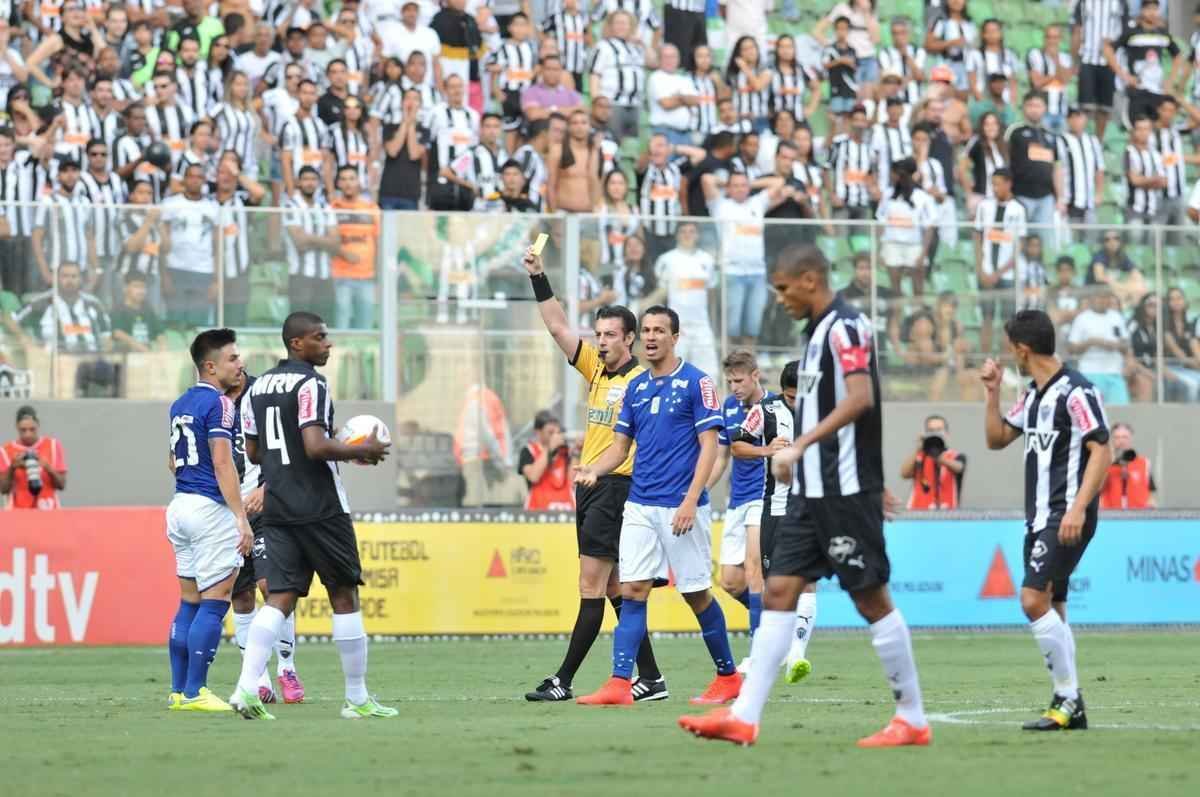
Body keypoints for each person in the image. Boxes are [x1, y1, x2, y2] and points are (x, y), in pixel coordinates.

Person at [680, 243, 929, 748]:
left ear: (810, 279)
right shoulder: (814, 334)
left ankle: (912, 717)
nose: (780, 299)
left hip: (843, 492)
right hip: (809, 494)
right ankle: (744, 716)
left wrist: (801, 447)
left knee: (870, 599)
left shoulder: (847, 328)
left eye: (784, 287)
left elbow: (862, 399)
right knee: (777, 591)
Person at [574, 304, 741, 707]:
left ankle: (728, 676)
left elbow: (710, 448)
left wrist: (689, 500)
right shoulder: (636, 387)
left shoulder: (697, 383)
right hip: (640, 504)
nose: (650, 337)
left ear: (675, 337)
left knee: (696, 593)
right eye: (645, 330)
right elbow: (619, 448)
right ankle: (619, 683)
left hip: (681, 507)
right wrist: (595, 470)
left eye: (658, 331)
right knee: (632, 589)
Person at [231, 311, 393, 721]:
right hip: (321, 506)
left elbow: (252, 452)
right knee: (343, 594)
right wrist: (360, 450)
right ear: (297, 343)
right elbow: (315, 446)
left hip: (279, 505)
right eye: (320, 337)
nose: (329, 344)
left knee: (281, 598)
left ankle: (246, 688)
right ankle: (356, 699)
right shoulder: (311, 383)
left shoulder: (257, 387)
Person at [521, 253, 666, 702]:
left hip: (617, 488)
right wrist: (539, 277)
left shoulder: (643, 381)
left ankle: (563, 680)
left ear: (630, 340)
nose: (600, 342)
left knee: (592, 585)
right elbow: (558, 326)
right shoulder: (596, 369)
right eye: (598, 335)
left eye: (609, 336)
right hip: (592, 486)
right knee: (614, 588)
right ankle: (652, 678)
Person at [981, 309, 1112, 731]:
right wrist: (992, 392)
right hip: (1038, 517)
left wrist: (1077, 507)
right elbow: (997, 438)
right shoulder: (1034, 394)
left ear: (1023, 349)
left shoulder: (1077, 392)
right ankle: (1073, 703)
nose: (1011, 357)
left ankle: (1067, 698)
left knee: (1032, 599)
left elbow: (1102, 450)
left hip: (1066, 514)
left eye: (1011, 350)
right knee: (1053, 604)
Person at [163, 329, 253, 712]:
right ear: (210, 366)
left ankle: (179, 692)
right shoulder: (222, 405)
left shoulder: (180, 403)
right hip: (208, 509)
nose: (240, 364)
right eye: (233, 358)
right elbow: (221, 462)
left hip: (180, 505)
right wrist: (240, 517)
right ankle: (197, 691)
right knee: (215, 602)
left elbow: (172, 460)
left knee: (189, 602)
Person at [728, 361, 815, 681]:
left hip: (812, 505)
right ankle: (767, 651)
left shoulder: (822, 408)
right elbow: (737, 445)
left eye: (800, 397)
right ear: (783, 392)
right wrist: (766, 450)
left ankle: (796, 655)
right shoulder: (765, 410)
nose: (796, 403)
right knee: (771, 582)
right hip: (775, 506)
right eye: (791, 398)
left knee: (807, 580)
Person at [227, 369, 304, 707]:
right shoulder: (209, 403)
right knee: (239, 596)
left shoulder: (262, 397)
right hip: (227, 514)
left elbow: (288, 449)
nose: (237, 365)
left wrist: (266, 487)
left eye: (237, 359)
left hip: (265, 510)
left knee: (271, 588)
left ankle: (287, 667)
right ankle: (257, 678)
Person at [706, 350, 769, 671]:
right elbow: (721, 457)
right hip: (737, 501)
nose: (734, 386)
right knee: (730, 581)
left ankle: (760, 653)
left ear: (755, 375)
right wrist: (700, 488)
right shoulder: (728, 407)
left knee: (754, 571)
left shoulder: (772, 408)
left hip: (763, 497)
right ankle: (774, 623)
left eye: (739, 380)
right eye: (729, 381)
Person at [705, 171, 794, 347]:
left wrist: (749, 184)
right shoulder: (720, 205)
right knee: (732, 327)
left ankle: (749, 365)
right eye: (735, 186)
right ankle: (731, 365)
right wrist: (729, 184)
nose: (740, 189)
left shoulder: (757, 203)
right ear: (729, 188)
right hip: (732, 272)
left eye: (743, 185)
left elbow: (778, 181)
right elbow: (706, 179)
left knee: (753, 326)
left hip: (757, 273)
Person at [649, 222, 718, 377]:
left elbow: (712, 295)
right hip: (676, 328)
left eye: (691, 231)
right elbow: (661, 295)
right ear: (677, 235)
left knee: (709, 376)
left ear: (697, 235)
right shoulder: (666, 260)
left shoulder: (707, 260)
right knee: (672, 374)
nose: (687, 235)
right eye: (683, 231)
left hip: (702, 327)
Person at [974, 168, 1027, 354]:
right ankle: (985, 359)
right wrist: (981, 269)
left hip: (1007, 274)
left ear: (1008, 183)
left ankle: (1005, 362)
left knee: (1007, 321)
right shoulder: (984, 207)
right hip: (986, 271)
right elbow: (978, 237)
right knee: (986, 318)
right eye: (992, 184)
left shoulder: (1019, 210)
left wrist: (999, 273)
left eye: (998, 184)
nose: (994, 188)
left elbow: (1019, 246)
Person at [160, 163, 218, 326]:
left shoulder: (212, 207)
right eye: (191, 176)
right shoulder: (170, 204)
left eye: (199, 177)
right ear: (184, 179)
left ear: (204, 180)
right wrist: (164, 275)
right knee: (174, 322)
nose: (194, 180)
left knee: (198, 325)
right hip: (175, 269)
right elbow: (162, 244)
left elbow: (217, 247)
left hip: (203, 271)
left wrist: (216, 280)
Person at [1105, 0, 1181, 124]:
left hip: (1157, 90)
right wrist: (1124, 75)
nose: (1152, 13)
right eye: (1149, 9)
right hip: (1138, 90)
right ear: (1142, 10)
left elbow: (1177, 55)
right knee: (1138, 126)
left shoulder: (1162, 33)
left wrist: (1170, 80)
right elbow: (1108, 49)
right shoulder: (1131, 32)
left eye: (1155, 9)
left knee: (1156, 127)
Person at [13, 261, 112, 353]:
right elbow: (12, 319)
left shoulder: (93, 303)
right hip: (53, 364)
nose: (70, 280)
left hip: (90, 361)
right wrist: (25, 340)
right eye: (65, 276)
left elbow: (106, 336)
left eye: (74, 276)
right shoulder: (41, 303)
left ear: (80, 279)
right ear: (56, 278)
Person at [877, 156, 936, 299]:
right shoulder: (887, 195)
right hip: (892, 245)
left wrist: (923, 254)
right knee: (895, 291)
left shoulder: (923, 197)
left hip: (914, 247)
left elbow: (929, 227)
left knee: (918, 290)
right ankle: (897, 319)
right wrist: (881, 249)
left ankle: (919, 319)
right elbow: (880, 222)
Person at [1006, 91, 1065, 228]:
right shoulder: (1015, 131)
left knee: (1043, 241)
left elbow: (1056, 168)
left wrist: (1060, 197)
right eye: (1030, 105)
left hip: (1046, 197)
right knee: (1018, 237)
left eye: (1038, 105)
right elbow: (1006, 160)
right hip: (1020, 194)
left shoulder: (1050, 135)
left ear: (1045, 108)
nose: (1034, 109)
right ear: (1024, 108)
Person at [330, 166, 379, 330]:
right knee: (341, 324)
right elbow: (328, 240)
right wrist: (342, 252)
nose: (348, 183)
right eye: (343, 179)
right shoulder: (333, 209)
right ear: (338, 183)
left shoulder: (371, 209)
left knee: (365, 324)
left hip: (367, 277)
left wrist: (379, 276)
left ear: (358, 182)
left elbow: (379, 242)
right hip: (341, 276)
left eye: (351, 178)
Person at [1067, 289, 1133, 407]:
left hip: (1114, 372)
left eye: (1105, 297)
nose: (1102, 301)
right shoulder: (1082, 318)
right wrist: (1091, 342)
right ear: (1092, 299)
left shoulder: (1116, 317)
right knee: (1092, 412)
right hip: (1090, 372)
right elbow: (1072, 348)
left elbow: (1126, 344)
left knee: (1121, 413)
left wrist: (1115, 345)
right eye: (1099, 297)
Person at [1072, 0, 1125, 141]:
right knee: (1085, 106)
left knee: (1104, 107)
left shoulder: (1120, 3)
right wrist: (1074, 60)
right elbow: (1077, 29)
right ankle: (1080, 140)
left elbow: (1125, 32)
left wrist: (1114, 43)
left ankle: (1098, 142)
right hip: (1088, 58)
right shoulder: (1084, 2)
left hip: (1110, 61)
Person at [0, 405, 67, 510]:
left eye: (32, 429)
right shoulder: (5, 450)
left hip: (49, 509)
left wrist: (47, 467)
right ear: (17, 427)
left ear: (38, 425)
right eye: (23, 430)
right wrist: (12, 468)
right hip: (18, 512)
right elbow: (3, 489)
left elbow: (61, 485)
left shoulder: (53, 445)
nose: (28, 434)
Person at [900, 414, 966, 510]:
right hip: (917, 514)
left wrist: (938, 456)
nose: (936, 434)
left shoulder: (956, 456)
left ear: (947, 433)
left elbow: (959, 468)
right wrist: (918, 449)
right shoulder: (919, 456)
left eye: (939, 430)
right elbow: (904, 474)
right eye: (931, 431)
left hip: (948, 515)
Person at [1058, 107, 1105, 229]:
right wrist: (1060, 197)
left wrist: (1099, 193)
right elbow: (1058, 170)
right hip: (1070, 200)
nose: (1076, 120)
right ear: (1067, 120)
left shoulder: (1092, 141)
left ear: (1085, 119)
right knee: (1071, 239)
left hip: (1089, 200)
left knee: (1090, 239)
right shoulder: (1061, 140)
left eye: (1079, 116)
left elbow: (1099, 168)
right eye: (1072, 117)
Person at [518, 411, 574, 511]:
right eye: (550, 432)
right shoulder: (528, 451)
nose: (554, 436)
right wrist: (550, 449)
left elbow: (573, 481)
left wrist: (577, 453)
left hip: (566, 511)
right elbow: (533, 476)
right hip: (538, 513)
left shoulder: (566, 452)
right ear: (538, 432)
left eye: (557, 432)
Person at [1026, 24, 1075, 134]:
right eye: (1049, 37)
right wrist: (1055, 76)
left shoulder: (1065, 57)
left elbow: (1065, 80)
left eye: (1055, 37)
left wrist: (1056, 59)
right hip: (1042, 112)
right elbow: (1037, 82)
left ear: (1060, 39)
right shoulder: (1035, 54)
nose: (1052, 41)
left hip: (1061, 110)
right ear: (1044, 38)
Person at [1124, 114, 1167, 236]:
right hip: (1135, 209)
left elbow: (1164, 181)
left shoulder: (1156, 154)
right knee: (1134, 245)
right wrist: (1154, 180)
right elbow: (1134, 180)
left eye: (1146, 129)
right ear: (1134, 131)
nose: (1143, 132)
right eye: (1140, 129)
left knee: (1155, 248)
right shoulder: (1129, 152)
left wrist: (1143, 181)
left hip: (1155, 209)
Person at [1100, 422, 1157, 509]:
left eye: (1125, 437)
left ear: (1131, 438)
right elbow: (1097, 491)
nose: (1121, 441)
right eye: (1117, 437)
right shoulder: (1104, 463)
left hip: (1139, 515)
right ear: (1112, 440)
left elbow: (1150, 493)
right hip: (1111, 515)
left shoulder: (1144, 463)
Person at [109, 271, 164, 353]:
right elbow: (118, 333)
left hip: (147, 356)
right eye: (136, 286)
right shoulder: (118, 310)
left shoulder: (148, 309)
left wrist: (163, 350)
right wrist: (145, 351)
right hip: (125, 357)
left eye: (143, 287)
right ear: (125, 288)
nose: (141, 291)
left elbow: (159, 333)